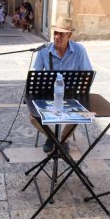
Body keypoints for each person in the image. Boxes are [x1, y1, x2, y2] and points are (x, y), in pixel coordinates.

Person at [32, 16, 93, 153]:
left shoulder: (79, 50)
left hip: (71, 94)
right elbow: (36, 74)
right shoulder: (44, 50)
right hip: (49, 94)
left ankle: (62, 139)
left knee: (80, 114)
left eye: (61, 34)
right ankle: (54, 137)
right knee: (32, 117)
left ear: (70, 35)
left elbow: (87, 75)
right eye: (55, 33)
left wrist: (81, 91)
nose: (57, 37)